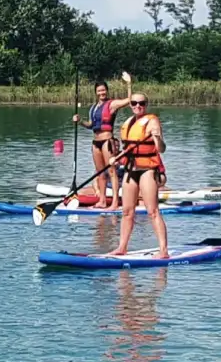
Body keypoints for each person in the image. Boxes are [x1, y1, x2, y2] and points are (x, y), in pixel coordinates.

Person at [114, 92, 170, 259]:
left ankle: (163, 250)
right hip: (130, 170)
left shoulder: (152, 121)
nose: (138, 106)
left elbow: (161, 149)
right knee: (126, 211)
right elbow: (127, 148)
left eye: (141, 103)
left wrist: (157, 138)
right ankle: (122, 247)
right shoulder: (128, 122)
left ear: (146, 104)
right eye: (134, 103)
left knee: (152, 211)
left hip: (147, 169)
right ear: (130, 104)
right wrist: (117, 158)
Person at [72, 79, 121, 204]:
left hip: (107, 141)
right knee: (100, 172)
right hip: (95, 142)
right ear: (96, 92)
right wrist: (80, 121)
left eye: (103, 90)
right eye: (99, 91)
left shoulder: (112, 104)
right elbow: (91, 125)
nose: (101, 93)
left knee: (111, 171)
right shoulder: (93, 108)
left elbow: (129, 100)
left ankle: (115, 201)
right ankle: (102, 201)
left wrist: (129, 84)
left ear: (107, 91)